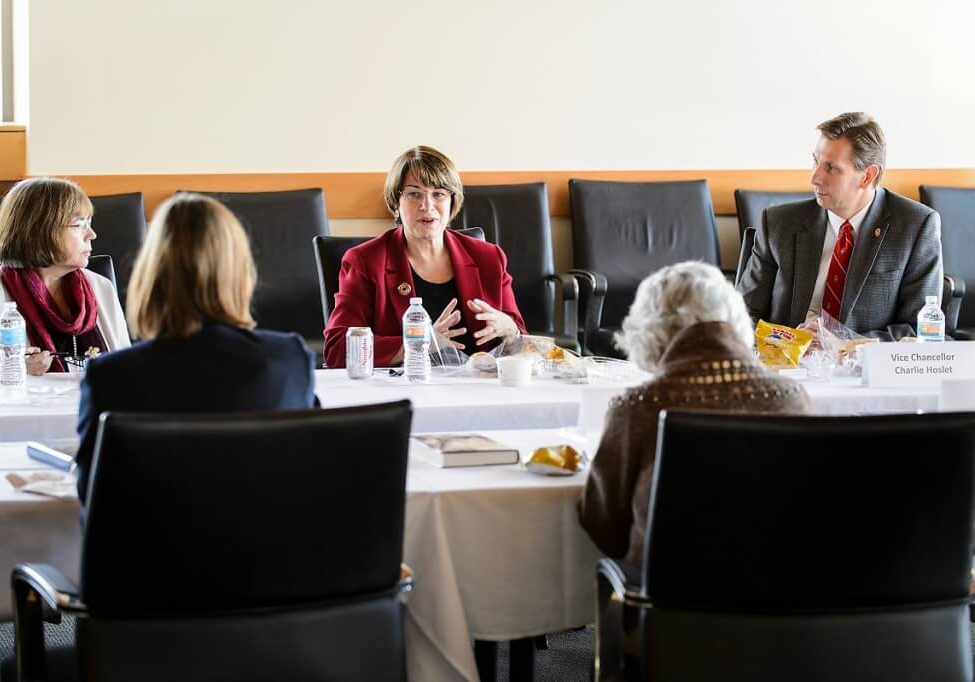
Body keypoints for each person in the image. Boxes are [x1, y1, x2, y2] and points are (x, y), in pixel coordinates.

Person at [75, 193, 317, 503]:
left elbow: (93, 496)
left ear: (151, 275)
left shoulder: (109, 376)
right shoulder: (289, 359)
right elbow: (307, 469)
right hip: (265, 547)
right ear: (241, 273)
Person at [579, 261, 812, 576]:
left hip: (672, 609)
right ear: (736, 318)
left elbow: (607, 530)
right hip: (779, 600)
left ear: (648, 331)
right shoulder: (791, 399)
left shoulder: (639, 407)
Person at [737, 112, 942, 338]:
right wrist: (786, 341)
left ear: (867, 176)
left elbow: (918, 330)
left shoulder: (915, 227)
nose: (814, 178)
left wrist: (841, 342)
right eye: (815, 161)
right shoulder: (779, 224)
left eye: (831, 168)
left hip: (863, 366)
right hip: (787, 363)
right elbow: (741, 316)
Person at [322, 145, 526, 368]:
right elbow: (337, 348)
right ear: (396, 202)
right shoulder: (366, 261)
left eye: (438, 194)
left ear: (452, 201)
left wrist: (511, 329)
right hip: (404, 389)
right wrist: (417, 344)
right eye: (414, 194)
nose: (427, 205)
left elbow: (521, 341)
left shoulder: (489, 257)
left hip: (477, 387)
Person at [0, 177, 130, 374]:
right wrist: (20, 367)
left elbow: (126, 368)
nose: (91, 234)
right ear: (41, 230)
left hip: (93, 403)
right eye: (79, 225)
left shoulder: (101, 286)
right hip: (24, 404)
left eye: (88, 223)